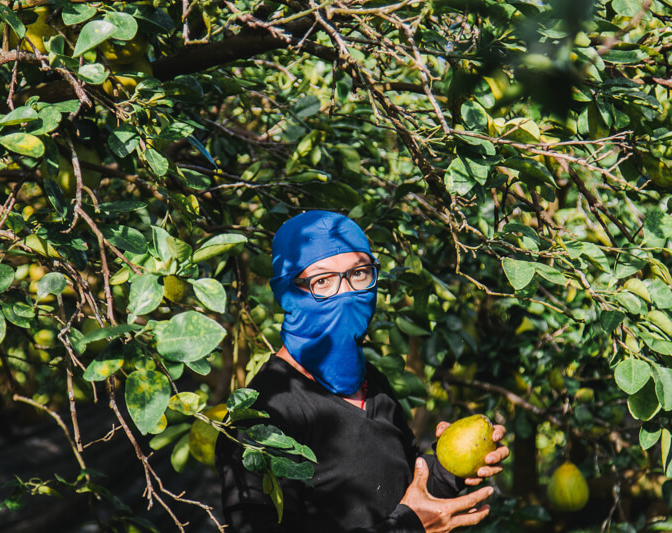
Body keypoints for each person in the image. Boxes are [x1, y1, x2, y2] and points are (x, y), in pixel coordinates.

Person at [215, 210, 509, 532]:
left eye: (359, 274)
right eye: (323, 281)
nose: (346, 293)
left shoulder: (372, 383)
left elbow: (408, 494)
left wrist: (447, 470)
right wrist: (407, 528)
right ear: (288, 293)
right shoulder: (262, 416)